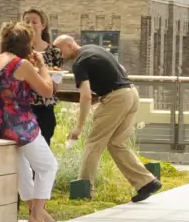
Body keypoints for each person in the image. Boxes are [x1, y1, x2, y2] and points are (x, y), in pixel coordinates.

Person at [0, 23, 67, 222]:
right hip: (20, 125)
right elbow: (46, 91)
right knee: (47, 166)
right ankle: (35, 218)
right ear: (26, 45)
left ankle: (42, 216)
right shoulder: (21, 65)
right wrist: (43, 65)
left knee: (23, 173)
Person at [54, 35, 160, 203]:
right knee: (116, 143)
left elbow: (86, 96)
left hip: (116, 98)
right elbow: (122, 69)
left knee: (93, 143)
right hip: (131, 93)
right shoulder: (94, 49)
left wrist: (79, 127)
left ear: (69, 45)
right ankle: (146, 182)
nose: (59, 55)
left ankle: (83, 191)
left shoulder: (79, 63)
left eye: (59, 51)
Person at [21, 7, 63, 146]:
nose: (30, 25)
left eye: (34, 21)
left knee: (44, 145)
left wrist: (47, 75)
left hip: (45, 106)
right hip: (24, 106)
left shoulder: (54, 51)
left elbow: (56, 84)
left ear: (43, 25)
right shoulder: (19, 50)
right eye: (27, 21)